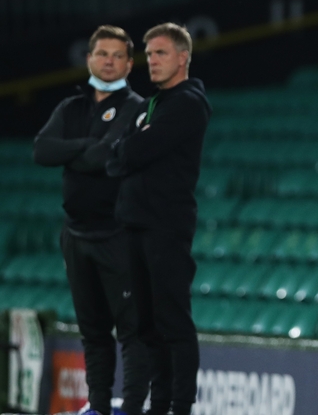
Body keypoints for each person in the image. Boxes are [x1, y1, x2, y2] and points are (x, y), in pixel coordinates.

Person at [32, 25, 149, 415]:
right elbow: (41, 150)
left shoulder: (136, 107)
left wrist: (73, 152)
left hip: (118, 235)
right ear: (89, 59)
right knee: (93, 331)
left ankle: (131, 408)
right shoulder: (71, 107)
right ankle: (98, 407)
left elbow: (104, 158)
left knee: (132, 330)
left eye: (117, 56)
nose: (109, 62)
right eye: (102, 54)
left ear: (129, 64)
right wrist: (85, 145)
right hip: (76, 235)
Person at [106, 23, 212, 415]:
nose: (151, 60)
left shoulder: (188, 103)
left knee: (172, 320)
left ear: (183, 57)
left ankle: (180, 406)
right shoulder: (151, 106)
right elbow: (116, 156)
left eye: (160, 53)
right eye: (149, 54)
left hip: (165, 226)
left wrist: (128, 149)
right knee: (146, 324)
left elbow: (135, 151)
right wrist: (128, 148)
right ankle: (160, 403)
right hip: (135, 224)